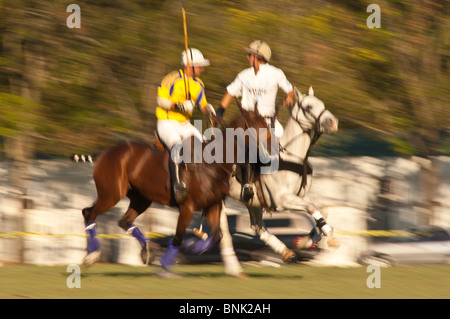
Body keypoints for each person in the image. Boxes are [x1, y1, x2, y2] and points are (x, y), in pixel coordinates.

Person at [216, 40, 295, 201]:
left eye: (249, 54)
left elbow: (290, 90)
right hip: (247, 121)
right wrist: (219, 112)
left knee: (285, 148)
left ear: (257, 56)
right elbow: (230, 92)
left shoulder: (276, 73)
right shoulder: (244, 75)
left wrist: (289, 96)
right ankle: (246, 184)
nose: (247, 57)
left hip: (269, 121)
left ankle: (281, 185)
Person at [156, 48, 215, 203]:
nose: (202, 68)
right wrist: (179, 106)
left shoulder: (198, 83)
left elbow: (202, 104)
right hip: (167, 122)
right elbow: (160, 101)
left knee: (206, 147)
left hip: (185, 124)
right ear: (189, 66)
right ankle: (177, 185)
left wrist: (208, 109)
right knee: (177, 146)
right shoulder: (172, 79)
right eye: (199, 65)